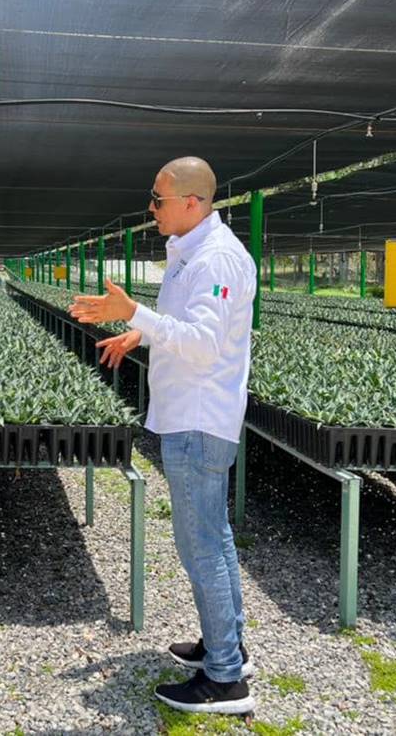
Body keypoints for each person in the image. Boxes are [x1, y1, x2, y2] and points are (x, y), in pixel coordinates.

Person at [69, 156, 258, 715]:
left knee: (200, 545)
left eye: (158, 199)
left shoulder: (218, 260)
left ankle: (225, 679)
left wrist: (137, 315)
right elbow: (184, 330)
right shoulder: (190, 255)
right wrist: (137, 334)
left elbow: (202, 343)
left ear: (193, 204)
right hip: (187, 415)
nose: (150, 208)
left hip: (199, 420)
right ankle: (227, 648)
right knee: (213, 540)